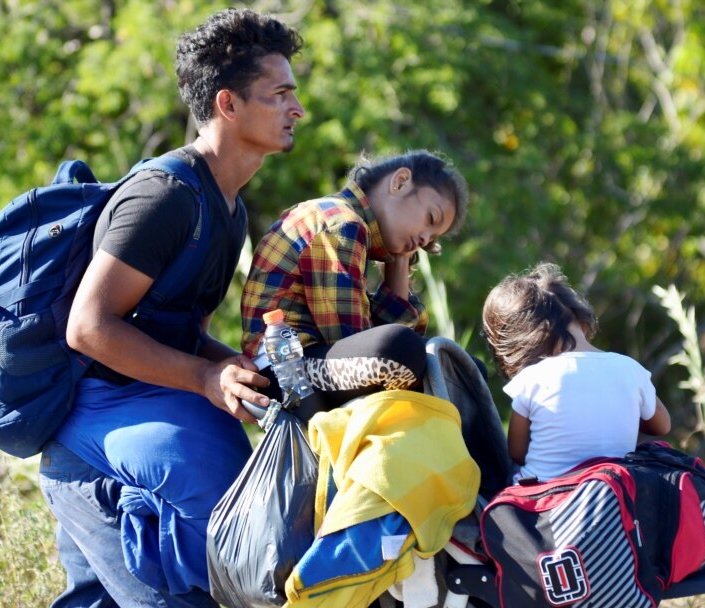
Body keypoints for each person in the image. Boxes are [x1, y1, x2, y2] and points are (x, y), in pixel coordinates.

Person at [37, 9, 304, 607]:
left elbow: (179, 331)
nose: (297, 109)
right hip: (93, 452)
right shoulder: (165, 196)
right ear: (228, 104)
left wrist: (232, 367)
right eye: (281, 94)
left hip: (133, 439)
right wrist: (205, 377)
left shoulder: (228, 206)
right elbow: (89, 327)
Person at [239, 150, 469, 414]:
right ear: (400, 182)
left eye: (433, 239)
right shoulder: (342, 221)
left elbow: (363, 350)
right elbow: (355, 342)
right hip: (285, 371)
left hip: (319, 363)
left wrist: (400, 259)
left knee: (457, 368)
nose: (426, 239)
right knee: (403, 350)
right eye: (431, 219)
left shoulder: (353, 226)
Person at [481, 262, 672, 482]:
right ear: (582, 319)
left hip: (543, 506)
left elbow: (517, 452)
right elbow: (662, 425)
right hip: (612, 498)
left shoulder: (531, 380)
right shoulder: (630, 369)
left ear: (523, 343)